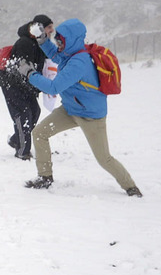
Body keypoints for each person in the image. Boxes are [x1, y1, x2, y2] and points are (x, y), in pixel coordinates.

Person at [16, 19, 142, 197]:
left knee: (104, 158)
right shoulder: (70, 53)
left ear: (72, 41)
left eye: (61, 40)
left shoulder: (79, 63)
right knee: (39, 133)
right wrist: (43, 39)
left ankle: (131, 187)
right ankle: (45, 177)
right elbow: (55, 55)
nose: (58, 43)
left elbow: (53, 87)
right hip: (70, 109)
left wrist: (30, 73)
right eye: (57, 39)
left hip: (90, 115)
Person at [0, 14, 54, 160]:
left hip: (27, 85)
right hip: (12, 84)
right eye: (49, 27)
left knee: (34, 111)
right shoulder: (24, 43)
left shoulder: (41, 43)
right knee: (23, 115)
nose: (52, 30)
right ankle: (23, 151)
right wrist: (36, 86)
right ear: (39, 28)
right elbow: (21, 68)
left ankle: (16, 140)